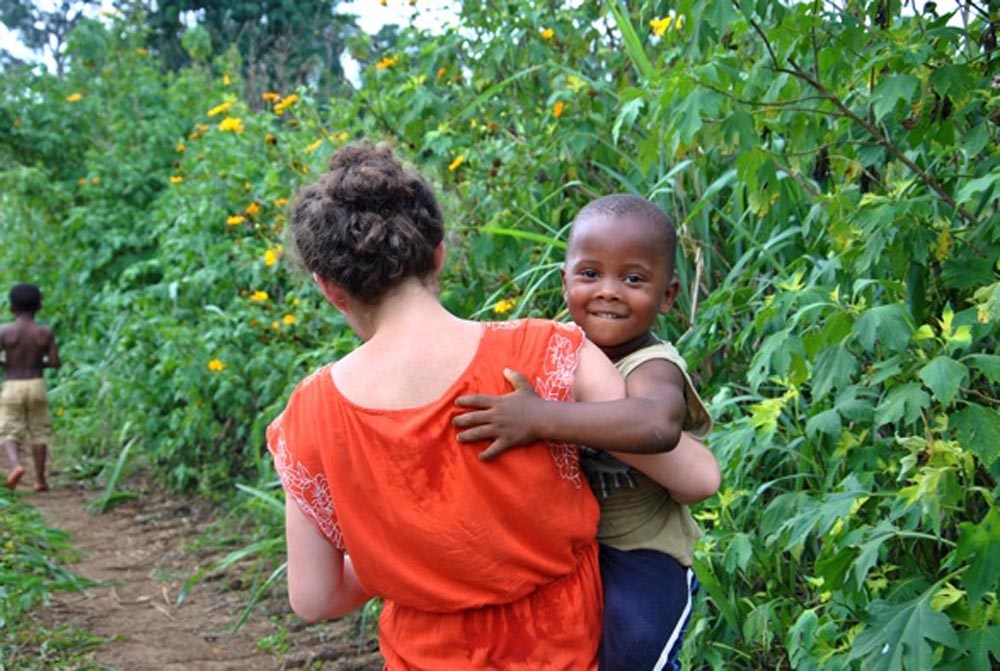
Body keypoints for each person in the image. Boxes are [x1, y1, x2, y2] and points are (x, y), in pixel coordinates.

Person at [266, 142, 692, 670]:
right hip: (564, 647)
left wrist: (407, 565)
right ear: (439, 252)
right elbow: (689, 474)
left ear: (330, 289)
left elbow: (314, 598)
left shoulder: (308, 414)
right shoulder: (551, 353)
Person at [453, 194, 721, 671]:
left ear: (668, 295)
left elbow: (655, 425)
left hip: (641, 552)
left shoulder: (652, 364)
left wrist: (539, 418)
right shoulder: (553, 351)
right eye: (590, 274)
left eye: (634, 278)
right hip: (566, 547)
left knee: (635, 646)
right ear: (565, 281)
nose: (609, 291)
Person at [2, 283, 61, 491]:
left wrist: (9, 363)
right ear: (39, 306)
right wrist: (37, 363)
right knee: (39, 432)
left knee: (9, 430)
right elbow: (54, 362)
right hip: (37, 384)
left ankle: (16, 466)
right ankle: (40, 480)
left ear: (11, 308)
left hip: (12, 384)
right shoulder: (44, 332)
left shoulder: (5, 331)